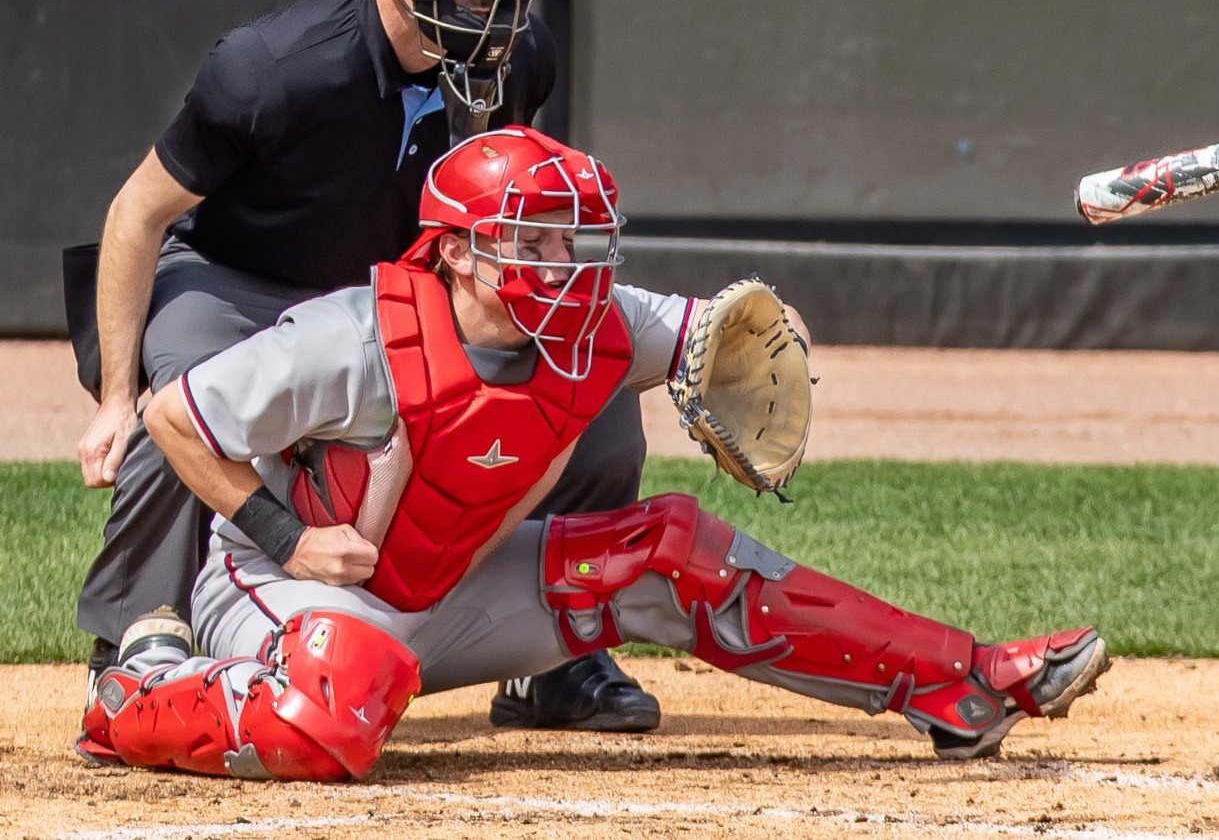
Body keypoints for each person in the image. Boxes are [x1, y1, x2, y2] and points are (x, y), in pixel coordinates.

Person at [76, 126, 1109, 780]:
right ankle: (142, 685)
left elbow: (719, 329)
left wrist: (768, 333)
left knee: (668, 549)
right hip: (291, 599)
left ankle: (964, 681)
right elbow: (178, 416)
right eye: (531, 241)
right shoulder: (353, 337)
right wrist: (286, 537)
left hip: (458, 595)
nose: (563, 265)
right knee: (339, 702)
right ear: (451, 250)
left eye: (572, 240)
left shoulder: (600, 322)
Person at [71, 0, 661, 734]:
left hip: (396, 292)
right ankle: (135, 641)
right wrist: (117, 396)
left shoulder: (518, 58)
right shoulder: (273, 67)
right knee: (187, 397)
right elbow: (137, 213)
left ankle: (560, 659)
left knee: (595, 410)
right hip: (242, 279)